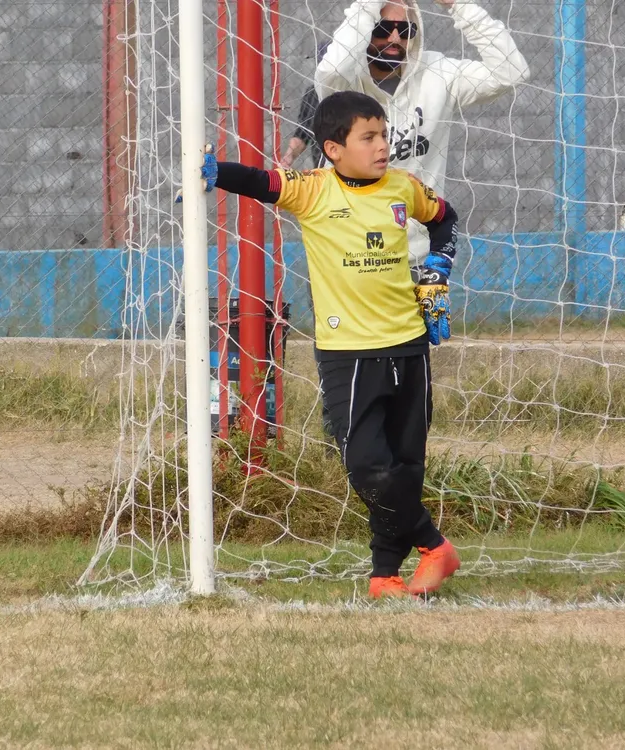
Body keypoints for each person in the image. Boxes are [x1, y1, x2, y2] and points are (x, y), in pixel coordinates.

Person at [193, 91, 462, 598]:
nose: (383, 145)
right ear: (334, 149)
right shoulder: (314, 190)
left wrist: (440, 267)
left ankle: (384, 575)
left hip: (410, 345)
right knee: (365, 463)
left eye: (384, 134)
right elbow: (261, 181)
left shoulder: (404, 188)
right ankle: (434, 545)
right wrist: (217, 172)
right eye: (369, 137)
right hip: (348, 354)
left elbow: (446, 218)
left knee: (405, 464)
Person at [315, 0, 529, 266]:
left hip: (418, 255)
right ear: (367, 25)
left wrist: (458, 6)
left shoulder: (437, 74)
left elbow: (511, 72)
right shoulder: (343, 83)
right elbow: (332, 68)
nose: (395, 38)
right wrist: (370, 4)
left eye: (405, 30)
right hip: (346, 253)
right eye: (383, 28)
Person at [281, 43, 331, 169]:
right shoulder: (313, 93)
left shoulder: (356, 88)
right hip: (323, 171)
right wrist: (288, 158)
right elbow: (302, 134)